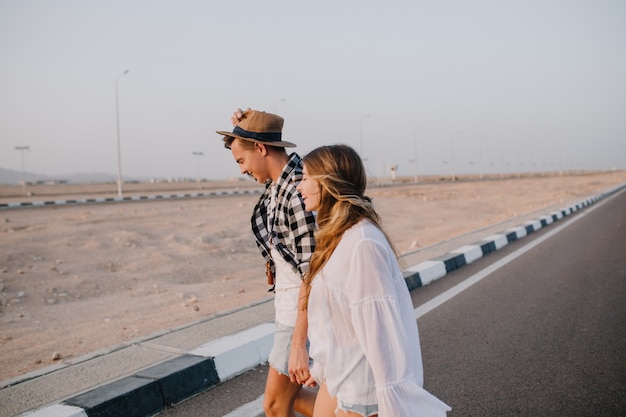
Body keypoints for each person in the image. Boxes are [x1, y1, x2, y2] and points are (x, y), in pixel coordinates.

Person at [297, 144, 451, 417]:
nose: (300, 186)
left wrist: (391, 403)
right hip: (340, 378)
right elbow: (337, 319)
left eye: (306, 177)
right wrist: (322, 366)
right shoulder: (337, 238)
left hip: (362, 391)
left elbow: (380, 332)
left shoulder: (362, 243)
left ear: (328, 182)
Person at [216, 109, 317, 417]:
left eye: (241, 161)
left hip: (300, 313)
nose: (241, 170)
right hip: (289, 309)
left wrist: (299, 341)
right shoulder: (277, 187)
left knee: (274, 405)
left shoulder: (296, 190)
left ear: (261, 148)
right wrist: (244, 128)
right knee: (295, 399)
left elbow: (312, 272)